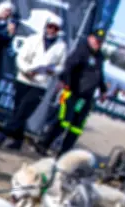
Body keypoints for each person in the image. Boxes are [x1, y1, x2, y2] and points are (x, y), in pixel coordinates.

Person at [0, 14, 66, 150]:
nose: (51, 30)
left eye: (55, 29)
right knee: (18, 110)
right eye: (50, 27)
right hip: (24, 78)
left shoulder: (61, 47)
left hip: (40, 83)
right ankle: (18, 140)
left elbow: (61, 66)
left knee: (24, 110)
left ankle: (3, 135)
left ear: (58, 30)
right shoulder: (33, 39)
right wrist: (27, 70)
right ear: (46, 26)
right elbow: (21, 57)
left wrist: (53, 71)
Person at [34, 28, 109, 157]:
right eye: (97, 40)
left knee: (76, 127)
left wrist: (103, 90)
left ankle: (63, 153)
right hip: (73, 92)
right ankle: (44, 143)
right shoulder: (82, 50)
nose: (98, 44)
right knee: (64, 121)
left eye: (101, 42)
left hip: (86, 98)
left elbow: (99, 75)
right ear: (90, 38)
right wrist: (66, 83)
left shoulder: (100, 56)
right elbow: (68, 67)